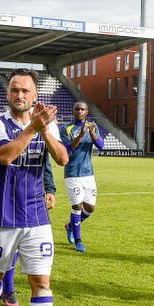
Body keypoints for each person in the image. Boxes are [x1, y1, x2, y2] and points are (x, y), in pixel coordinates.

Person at [0, 68, 70, 306]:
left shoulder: (47, 123)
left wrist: (44, 129)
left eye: (26, 91)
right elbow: (5, 155)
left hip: (36, 216)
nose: (20, 95)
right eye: (15, 90)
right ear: (8, 94)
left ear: (35, 95)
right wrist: (33, 127)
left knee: (41, 280)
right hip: (3, 216)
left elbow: (61, 158)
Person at [0, 131, 59, 306]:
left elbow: (47, 160)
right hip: (3, 205)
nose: (21, 99)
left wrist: (50, 187)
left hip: (34, 211)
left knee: (42, 281)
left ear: (35, 99)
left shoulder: (44, 126)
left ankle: (10, 290)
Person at [60, 102, 104, 253]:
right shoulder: (66, 128)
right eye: (77, 109)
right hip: (72, 173)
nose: (79, 111)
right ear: (73, 111)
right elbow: (67, 149)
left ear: (87, 112)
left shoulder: (93, 127)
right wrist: (80, 135)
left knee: (90, 208)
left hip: (88, 174)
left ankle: (70, 226)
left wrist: (91, 134)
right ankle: (78, 241)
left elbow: (101, 146)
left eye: (82, 109)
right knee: (77, 206)